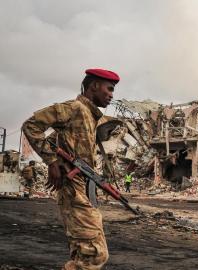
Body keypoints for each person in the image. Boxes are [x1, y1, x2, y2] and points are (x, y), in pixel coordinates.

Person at [22, 68, 119, 270]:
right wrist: (51, 161)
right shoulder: (74, 108)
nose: (111, 95)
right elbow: (31, 125)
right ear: (94, 86)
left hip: (81, 186)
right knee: (95, 254)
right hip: (73, 188)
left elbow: (55, 140)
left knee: (82, 252)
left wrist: (58, 157)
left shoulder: (90, 117)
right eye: (109, 89)